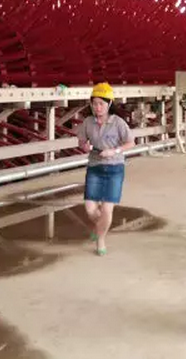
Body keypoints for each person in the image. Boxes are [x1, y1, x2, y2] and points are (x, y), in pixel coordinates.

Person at [76, 82, 135, 256]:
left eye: (101, 104)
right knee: (90, 209)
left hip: (115, 168)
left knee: (107, 210)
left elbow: (131, 143)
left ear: (109, 104)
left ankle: (100, 239)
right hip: (95, 166)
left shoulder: (118, 123)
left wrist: (114, 151)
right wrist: (84, 146)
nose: (97, 107)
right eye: (94, 103)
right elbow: (81, 141)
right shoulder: (88, 122)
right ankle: (100, 227)